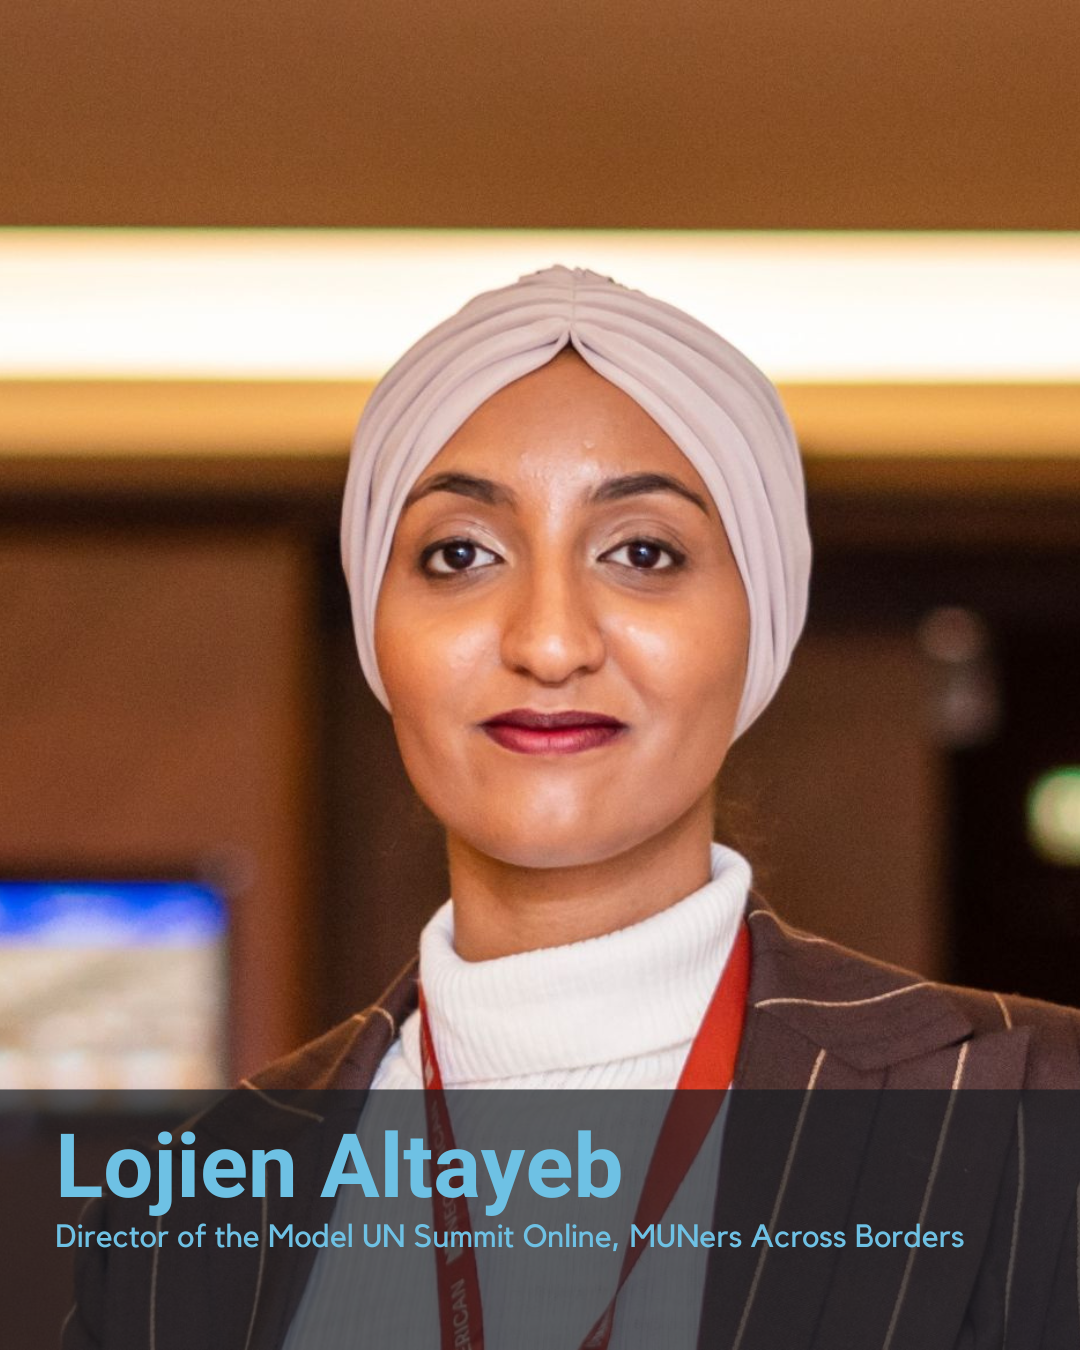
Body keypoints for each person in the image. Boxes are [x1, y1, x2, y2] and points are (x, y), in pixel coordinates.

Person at [65, 266, 1080, 1350]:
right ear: (377, 633)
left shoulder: (1026, 1115)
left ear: (761, 626)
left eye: (643, 553)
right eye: (461, 554)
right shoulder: (183, 1211)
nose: (549, 642)